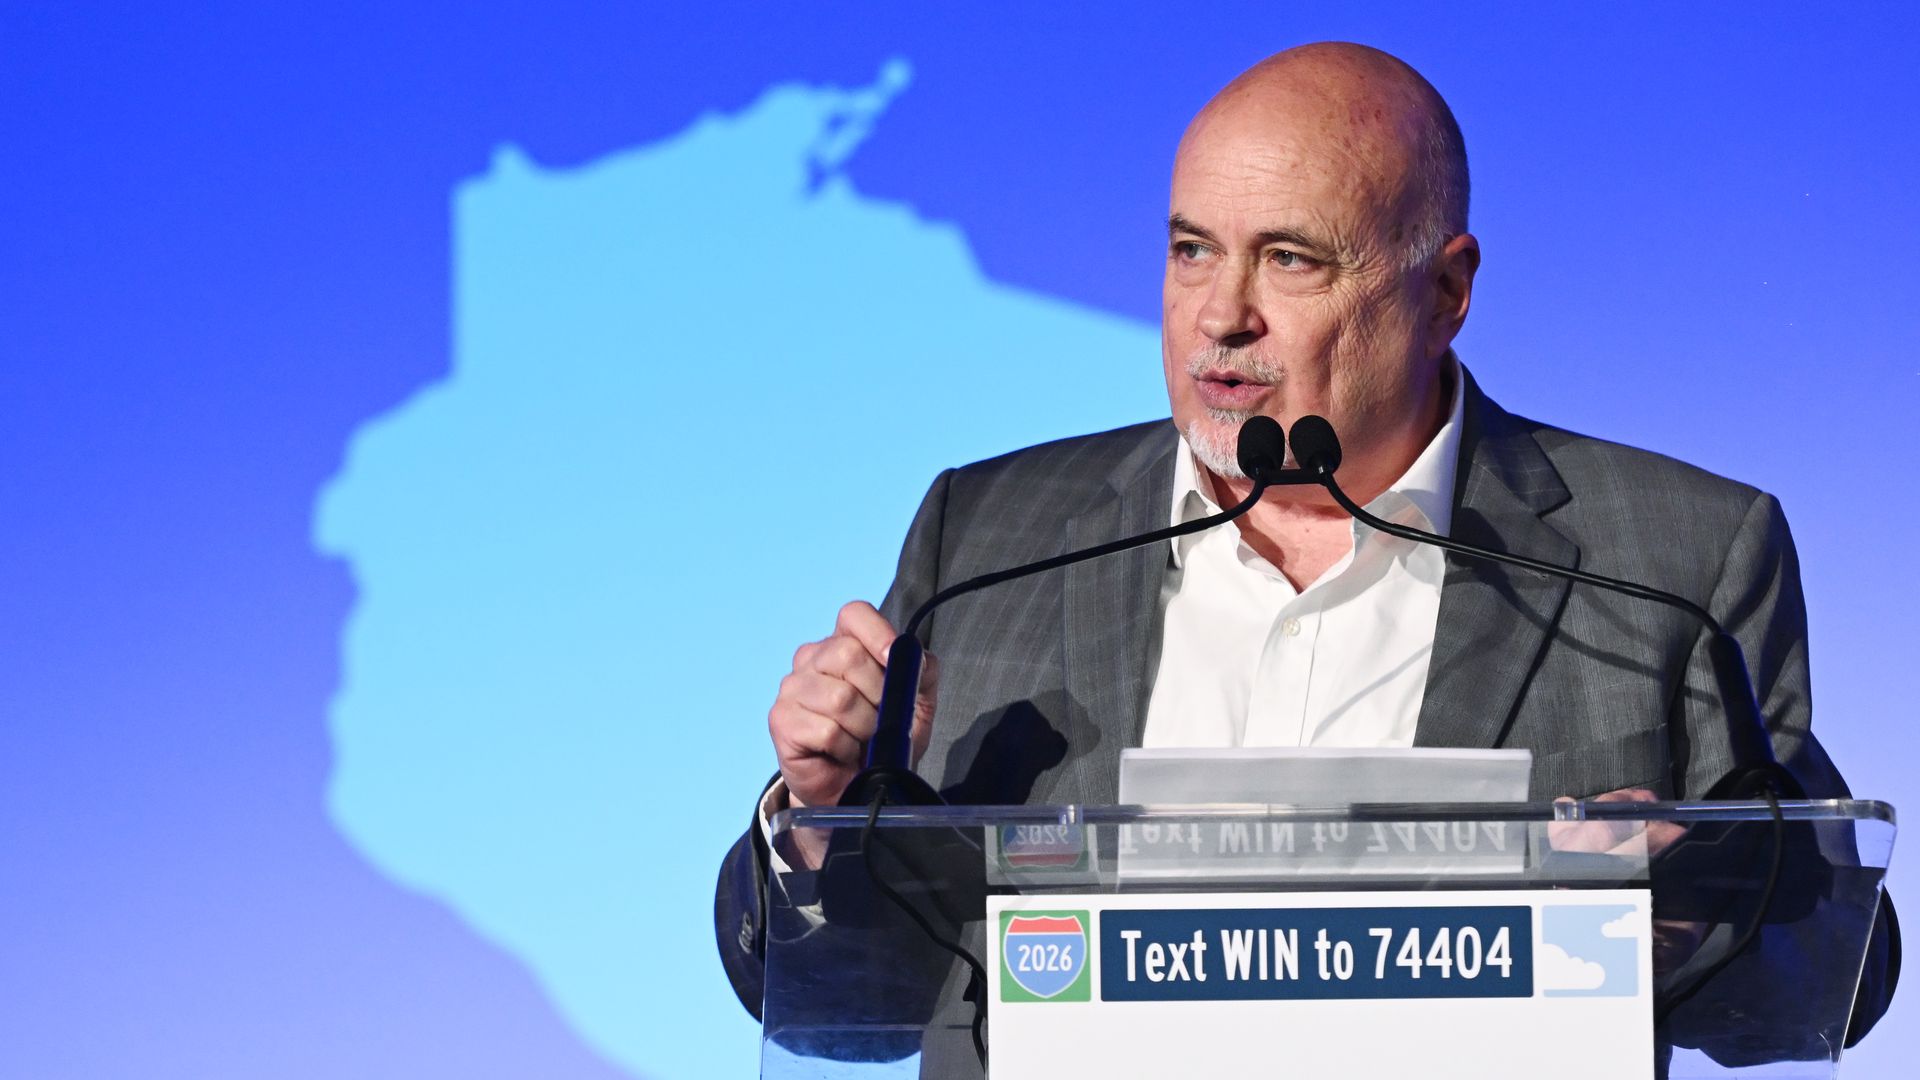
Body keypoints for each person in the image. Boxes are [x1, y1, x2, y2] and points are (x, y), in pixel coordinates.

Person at [715, 40, 1896, 1062]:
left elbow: (1808, 991)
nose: (1221, 313)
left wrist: (1699, 912)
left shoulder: (1676, 560)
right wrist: (822, 822)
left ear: (1446, 288)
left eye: (1291, 259)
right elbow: (844, 1015)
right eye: (1190, 250)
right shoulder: (991, 537)